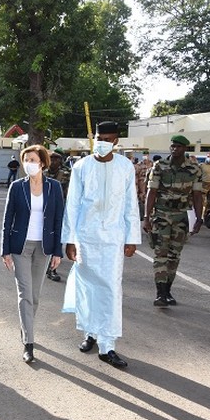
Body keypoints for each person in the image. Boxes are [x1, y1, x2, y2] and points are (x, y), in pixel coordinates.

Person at [62, 121, 141, 369]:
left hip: (114, 239)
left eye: (108, 138)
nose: (103, 142)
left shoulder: (125, 167)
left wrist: (131, 238)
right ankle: (90, 333)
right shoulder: (81, 166)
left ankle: (107, 346)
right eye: (99, 137)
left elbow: (131, 204)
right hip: (86, 237)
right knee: (87, 288)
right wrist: (70, 239)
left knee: (110, 289)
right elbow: (72, 204)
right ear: (93, 137)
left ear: (117, 141)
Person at [1, 145, 64, 363]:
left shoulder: (54, 187)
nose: (28, 163)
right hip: (20, 247)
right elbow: (7, 219)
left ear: (43, 163)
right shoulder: (17, 187)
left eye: (33, 160)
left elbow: (58, 220)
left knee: (34, 297)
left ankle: (25, 328)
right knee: (25, 294)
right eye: (25, 159)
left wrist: (58, 251)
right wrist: (5, 250)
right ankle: (29, 342)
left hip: (43, 248)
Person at [143, 135, 203, 307]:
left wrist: (199, 219)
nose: (174, 149)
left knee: (174, 256)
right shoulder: (160, 165)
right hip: (161, 215)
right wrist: (147, 217)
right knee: (160, 254)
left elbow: (197, 195)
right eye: (172, 146)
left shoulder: (194, 169)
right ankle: (160, 293)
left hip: (180, 217)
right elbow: (151, 192)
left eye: (178, 146)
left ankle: (168, 290)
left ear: (185, 149)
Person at [44, 148, 70, 282]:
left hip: (61, 211)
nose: (53, 161)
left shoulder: (67, 174)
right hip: (43, 212)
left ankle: (52, 268)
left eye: (56, 158)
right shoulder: (42, 173)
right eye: (51, 158)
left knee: (57, 240)